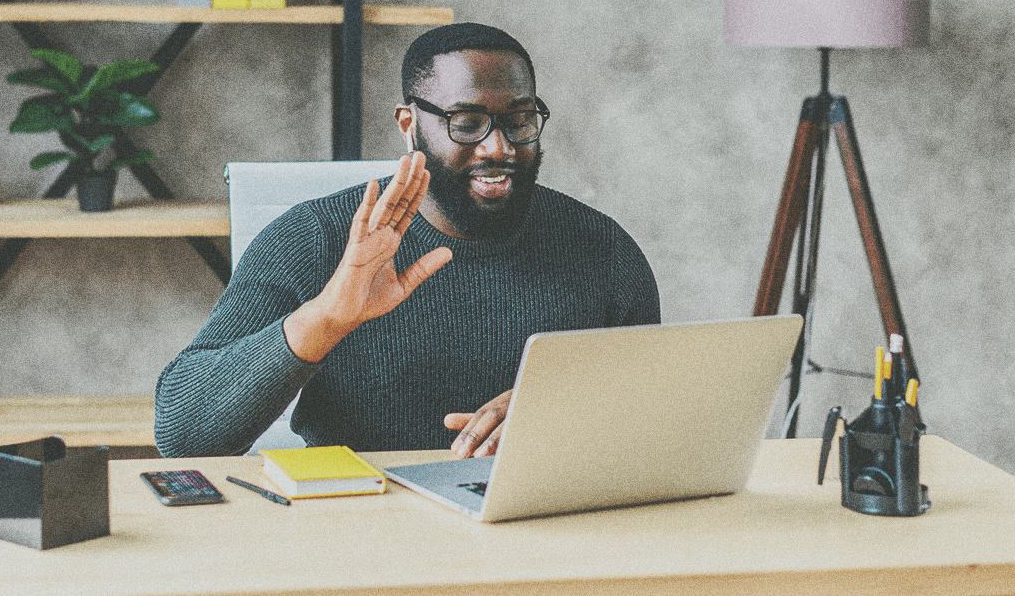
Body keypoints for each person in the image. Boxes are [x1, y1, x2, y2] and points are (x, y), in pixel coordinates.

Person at [155, 22, 659, 458]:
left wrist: (565, 408)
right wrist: (327, 317)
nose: (497, 147)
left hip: (539, 523)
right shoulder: (313, 239)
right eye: (466, 124)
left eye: (519, 120)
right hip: (367, 525)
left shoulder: (603, 250)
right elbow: (182, 432)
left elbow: (654, 412)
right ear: (409, 124)